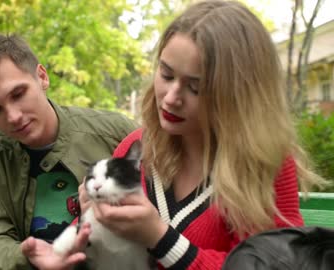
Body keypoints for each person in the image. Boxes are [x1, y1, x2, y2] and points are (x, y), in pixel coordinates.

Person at [22, 1, 327, 269]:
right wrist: (71, 244)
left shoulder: (268, 165)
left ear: (238, 96)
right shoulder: (136, 149)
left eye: (196, 87)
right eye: (166, 74)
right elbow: (99, 232)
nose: (170, 98)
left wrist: (160, 238)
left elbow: (270, 266)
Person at [0, 34, 138, 270]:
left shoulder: (117, 134)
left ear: (42, 77)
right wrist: (27, 257)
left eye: (18, 94)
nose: (13, 117)